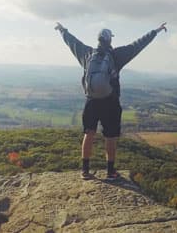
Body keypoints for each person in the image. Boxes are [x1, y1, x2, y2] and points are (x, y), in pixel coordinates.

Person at [55, 21, 167, 180]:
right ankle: (110, 172)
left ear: (98, 39)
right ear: (110, 40)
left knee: (89, 133)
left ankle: (85, 171)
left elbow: (72, 42)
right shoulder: (116, 55)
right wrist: (155, 31)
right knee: (110, 137)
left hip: (91, 101)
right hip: (110, 102)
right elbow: (137, 45)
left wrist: (62, 30)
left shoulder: (87, 54)